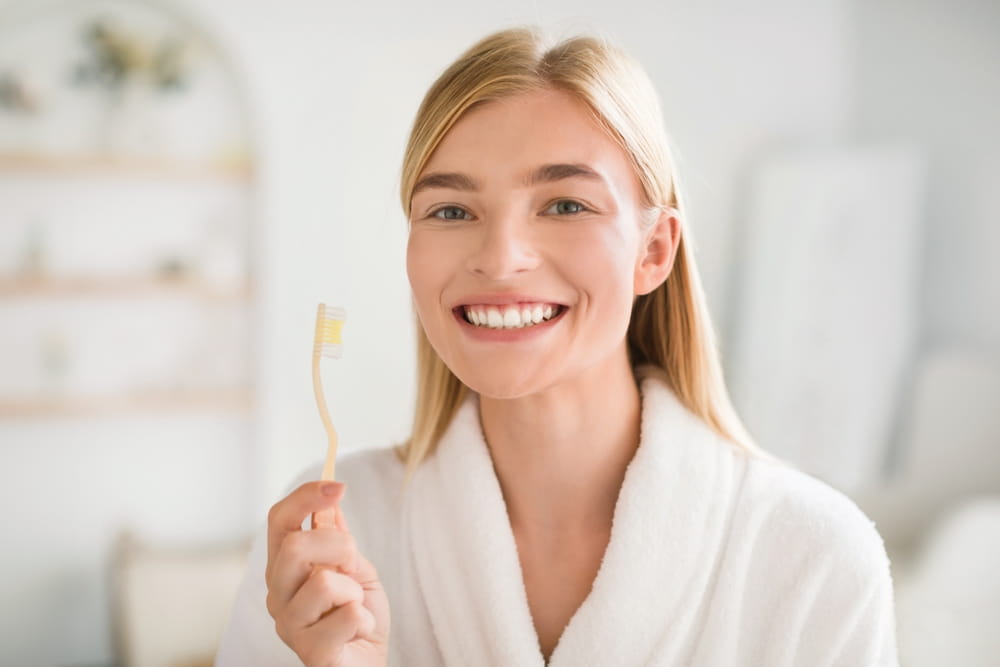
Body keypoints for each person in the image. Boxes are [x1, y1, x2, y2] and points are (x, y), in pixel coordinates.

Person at [216, 26, 899, 667]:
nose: (501, 257)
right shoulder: (333, 533)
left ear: (654, 250)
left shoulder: (814, 559)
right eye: (451, 210)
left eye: (565, 204)